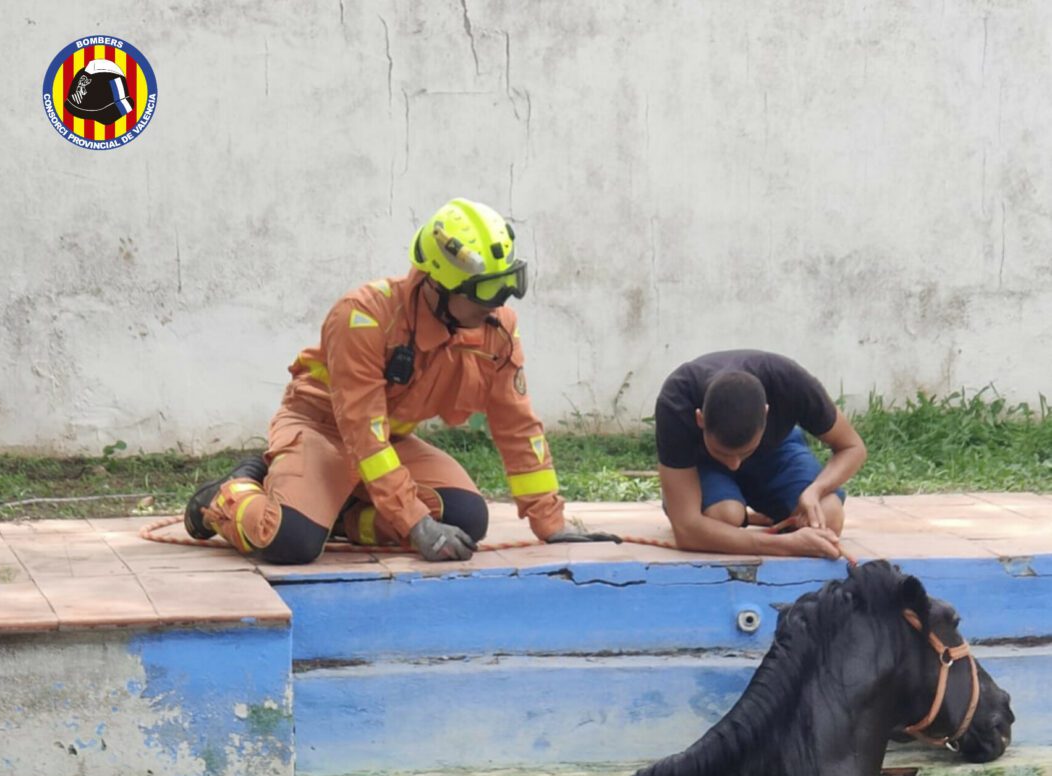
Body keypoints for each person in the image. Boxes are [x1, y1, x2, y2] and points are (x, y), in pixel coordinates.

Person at [184, 199, 618, 565]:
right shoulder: (363, 317)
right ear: (437, 285)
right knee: (292, 541)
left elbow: (517, 425)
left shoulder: (494, 329)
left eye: (506, 285)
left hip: (387, 441)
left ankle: (342, 514)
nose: (497, 303)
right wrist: (415, 523)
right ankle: (223, 498)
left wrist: (551, 523)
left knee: (465, 519)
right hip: (322, 430)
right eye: (484, 290)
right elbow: (362, 433)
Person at [654, 350, 867, 560]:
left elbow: (852, 447)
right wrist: (786, 546)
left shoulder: (789, 381)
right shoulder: (677, 399)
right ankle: (725, 505)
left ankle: (751, 507)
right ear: (700, 419)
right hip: (705, 463)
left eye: (745, 452)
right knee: (723, 517)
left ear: (766, 414)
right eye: (722, 452)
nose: (734, 464)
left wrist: (816, 490)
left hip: (776, 451)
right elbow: (687, 529)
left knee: (827, 517)